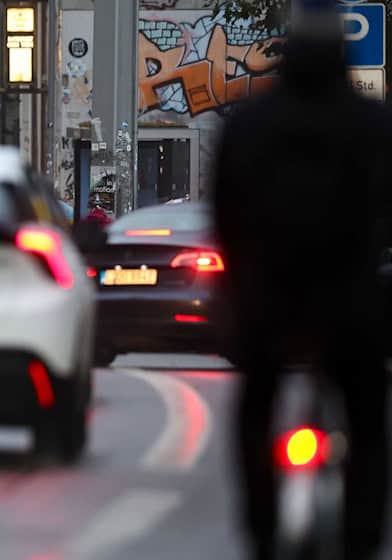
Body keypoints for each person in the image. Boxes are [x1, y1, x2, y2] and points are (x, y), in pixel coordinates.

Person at [212, 1, 391, 557]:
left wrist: (236, 295)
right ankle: (362, 535)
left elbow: (225, 218)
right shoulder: (372, 126)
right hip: (351, 307)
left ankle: (261, 527)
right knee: (367, 412)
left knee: (255, 405)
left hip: (269, 304)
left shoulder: (248, 124)